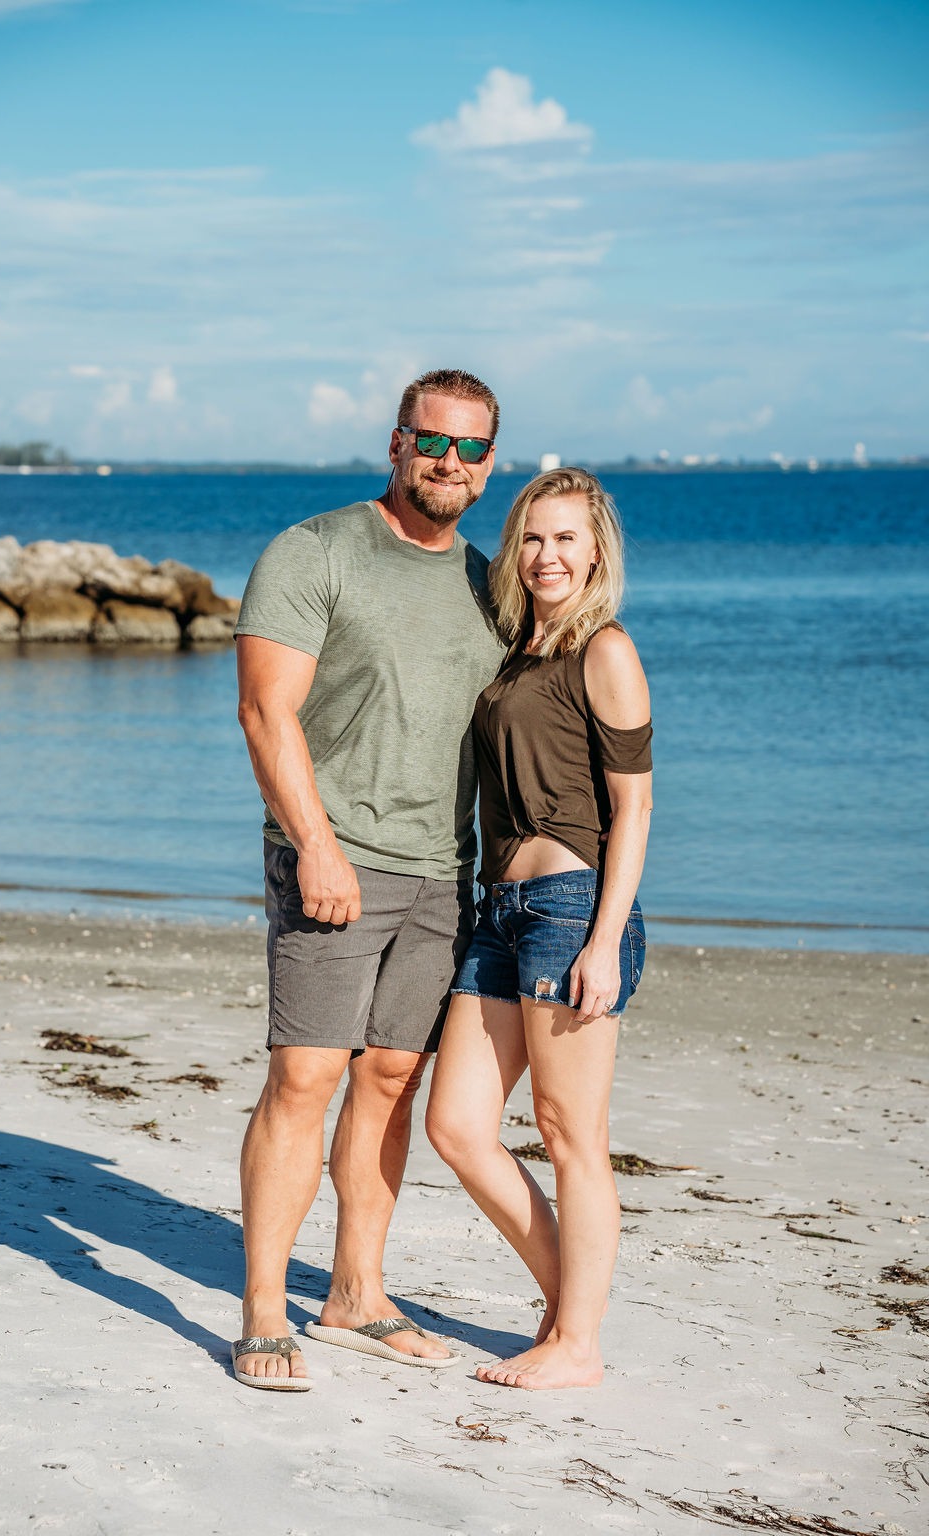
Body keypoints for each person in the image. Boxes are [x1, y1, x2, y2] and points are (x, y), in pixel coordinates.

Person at [231, 369, 506, 1389]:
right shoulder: (314, 552)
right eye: (432, 441)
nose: (448, 462)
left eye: (470, 448)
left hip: (443, 873)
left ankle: (355, 1293)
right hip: (334, 857)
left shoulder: (487, 582)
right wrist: (315, 843)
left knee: (391, 1079)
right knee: (305, 1075)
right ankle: (264, 1311)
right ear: (396, 443)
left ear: (489, 464)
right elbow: (266, 710)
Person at [426, 466, 653, 1390]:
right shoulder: (516, 649)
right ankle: (571, 1310)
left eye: (565, 538)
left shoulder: (605, 649)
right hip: (501, 911)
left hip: (570, 911)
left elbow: (634, 810)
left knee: (569, 1135)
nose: (546, 554)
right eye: (531, 537)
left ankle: (577, 1344)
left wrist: (603, 943)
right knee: (456, 1125)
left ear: (596, 551)